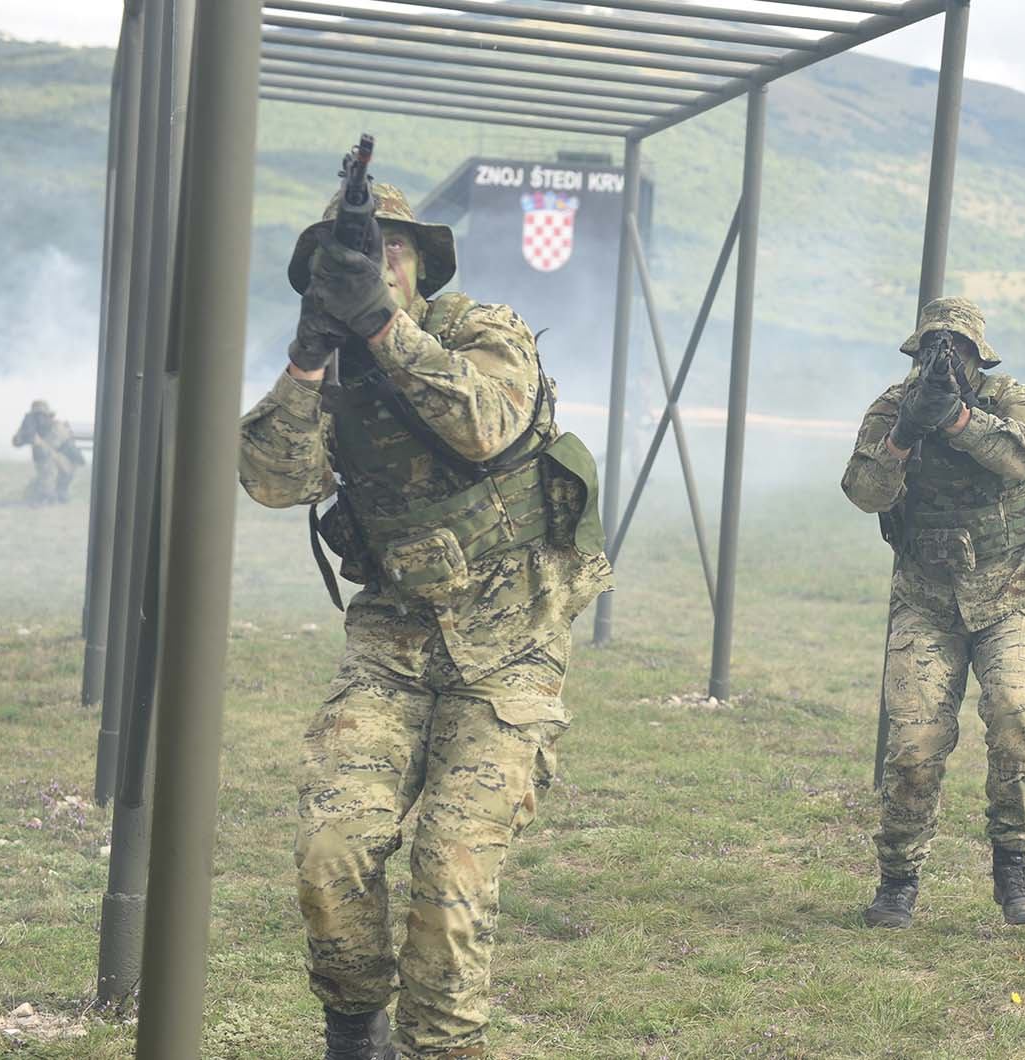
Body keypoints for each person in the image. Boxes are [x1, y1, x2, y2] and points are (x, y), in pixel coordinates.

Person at [238, 182, 613, 1060]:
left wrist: (380, 329)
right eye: (355, 259)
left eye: (390, 251)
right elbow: (273, 481)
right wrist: (305, 363)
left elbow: (486, 424)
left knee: (452, 865)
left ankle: (440, 1048)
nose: (379, 267)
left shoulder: (483, 332)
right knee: (332, 848)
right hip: (391, 646)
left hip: (509, 648)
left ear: (418, 265)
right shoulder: (327, 369)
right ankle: (354, 1031)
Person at [841, 297, 1025, 930]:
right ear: (914, 356)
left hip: (1012, 598)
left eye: (960, 351)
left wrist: (961, 421)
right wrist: (904, 435)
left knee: (1017, 714)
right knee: (914, 744)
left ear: (979, 358)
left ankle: (1015, 864)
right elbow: (863, 493)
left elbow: (1024, 457)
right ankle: (898, 880)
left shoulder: (1018, 401)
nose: (947, 361)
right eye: (935, 351)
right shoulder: (893, 409)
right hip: (927, 601)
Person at [11, 399, 84, 504]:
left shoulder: (57, 427)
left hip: (67, 468)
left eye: (41, 415)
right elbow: (16, 443)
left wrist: (38, 441)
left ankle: (52, 494)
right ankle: (52, 493)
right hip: (51, 469)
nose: (39, 419)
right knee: (30, 494)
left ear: (48, 416)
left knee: (47, 465)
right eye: (36, 416)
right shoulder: (34, 428)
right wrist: (23, 431)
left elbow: (48, 451)